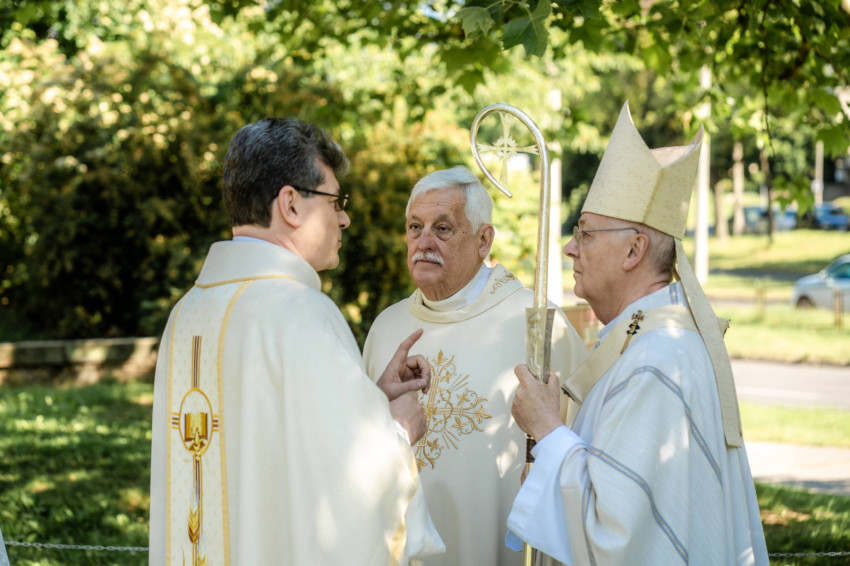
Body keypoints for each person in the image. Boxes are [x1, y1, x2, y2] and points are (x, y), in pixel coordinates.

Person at [148, 117, 444, 565]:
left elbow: (270, 439)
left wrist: (368, 401)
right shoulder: (300, 311)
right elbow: (349, 491)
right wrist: (398, 432)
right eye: (335, 201)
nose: (344, 218)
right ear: (290, 204)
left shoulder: (187, 313)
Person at [506, 102, 769, 565]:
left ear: (634, 250)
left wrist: (546, 429)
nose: (569, 248)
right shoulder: (645, 344)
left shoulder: (657, 360)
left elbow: (620, 537)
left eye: (585, 234)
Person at [363, 166, 588, 565]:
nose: (424, 242)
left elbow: (581, 450)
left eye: (443, 229)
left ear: (484, 240)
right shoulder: (386, 327)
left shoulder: (535, 324)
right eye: (415, 227)